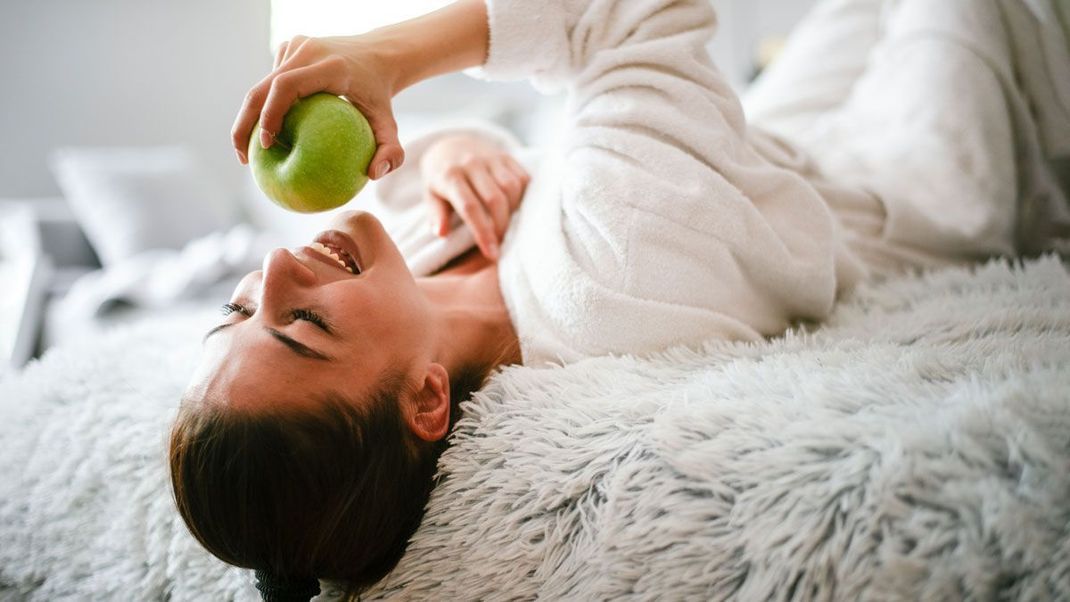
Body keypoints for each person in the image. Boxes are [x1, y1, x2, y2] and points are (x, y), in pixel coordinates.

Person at [169, 0, 1068, 599]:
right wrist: (384, 55)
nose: (278, 268)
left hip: (774, 150)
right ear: (428, 400)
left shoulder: (408, 284)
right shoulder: (607, 277)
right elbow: (631, 13)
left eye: (237, 311)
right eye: (305, 326)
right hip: (906, 173)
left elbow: (411, 182)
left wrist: (452, 152)